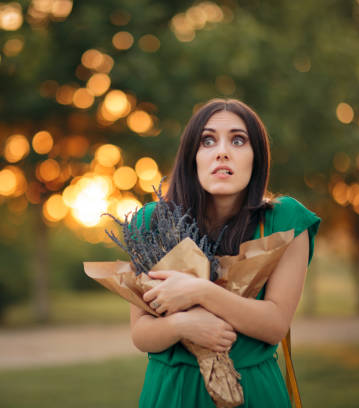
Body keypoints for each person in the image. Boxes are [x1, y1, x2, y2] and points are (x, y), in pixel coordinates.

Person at [129, 98, 320, 407]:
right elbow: (140, 334)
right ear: (192, 157)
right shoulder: (153, 222)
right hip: (172, 393)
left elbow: (275, 326)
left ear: (256, 158)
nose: (222, 151)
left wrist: (200, 291)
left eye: (238, 140)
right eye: (207, 140)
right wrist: (182, 325)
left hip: (254, 393)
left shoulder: (284, 222)